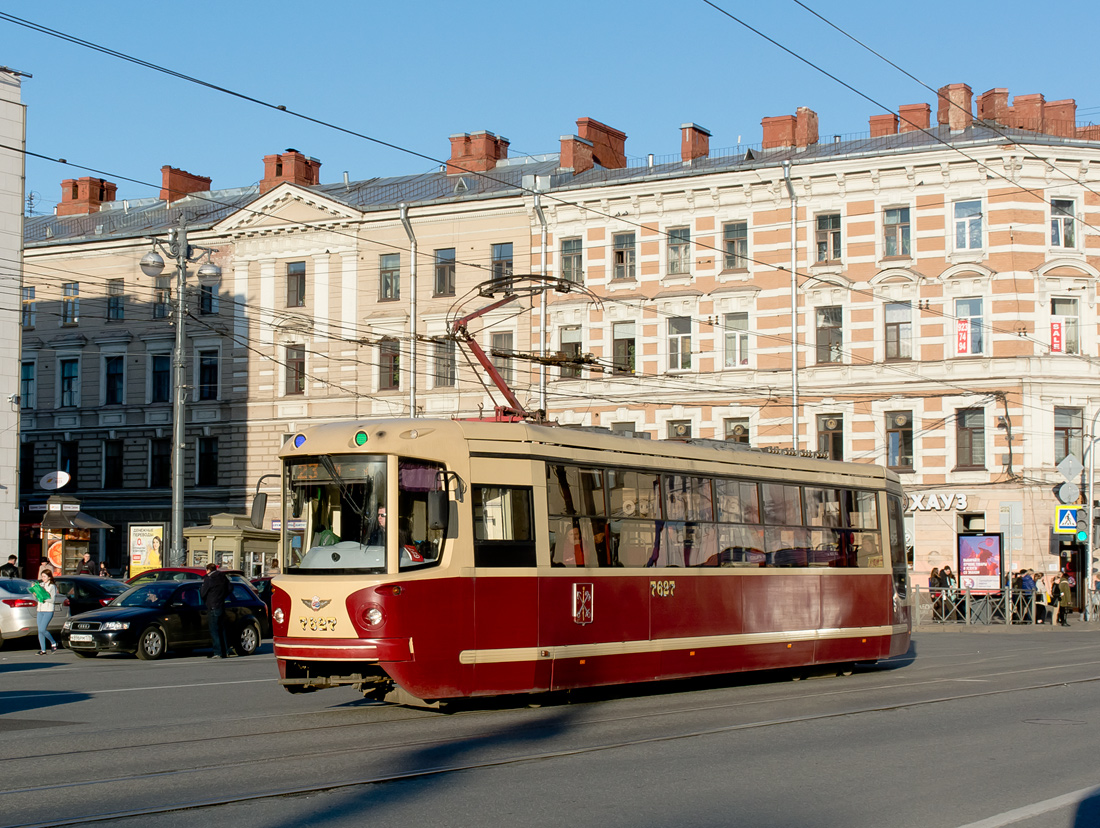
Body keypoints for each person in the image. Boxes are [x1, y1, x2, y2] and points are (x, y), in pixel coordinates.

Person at [200, 563, 231, 658]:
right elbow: (230, 588)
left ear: (208, 570)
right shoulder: (222, 577)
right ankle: (225, 651)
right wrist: (222, 596)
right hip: (221, 605)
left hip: (212, 606)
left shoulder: (209, 579)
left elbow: (203, 593)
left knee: (214, 630)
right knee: (222, 629)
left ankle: (217, 652)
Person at [35, 569, 58, 655]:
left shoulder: (52, 586)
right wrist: (35, 593)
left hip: (48, 610)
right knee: (39, 630)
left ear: (49, 577)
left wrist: (43, 597)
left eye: (45, 576)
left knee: (42, 629)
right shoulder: (41, 585)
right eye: (42, 576)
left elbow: (52, 600)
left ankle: (53, 642)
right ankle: (43, 650)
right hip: (40, 609)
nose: (43, 578)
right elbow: (37, 598)